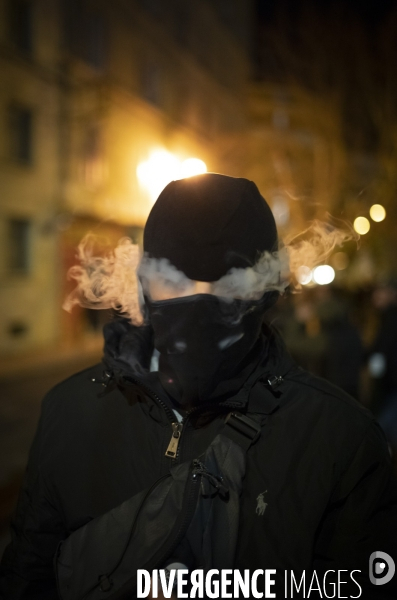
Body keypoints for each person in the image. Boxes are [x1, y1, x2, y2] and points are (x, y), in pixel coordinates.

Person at [1, 173, 397, 599]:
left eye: (229, 285)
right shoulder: (72, 413)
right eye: (175, 280)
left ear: (268, 293)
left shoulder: (341, 442)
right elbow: (28, 580)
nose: (201, 301)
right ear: (144, 287)